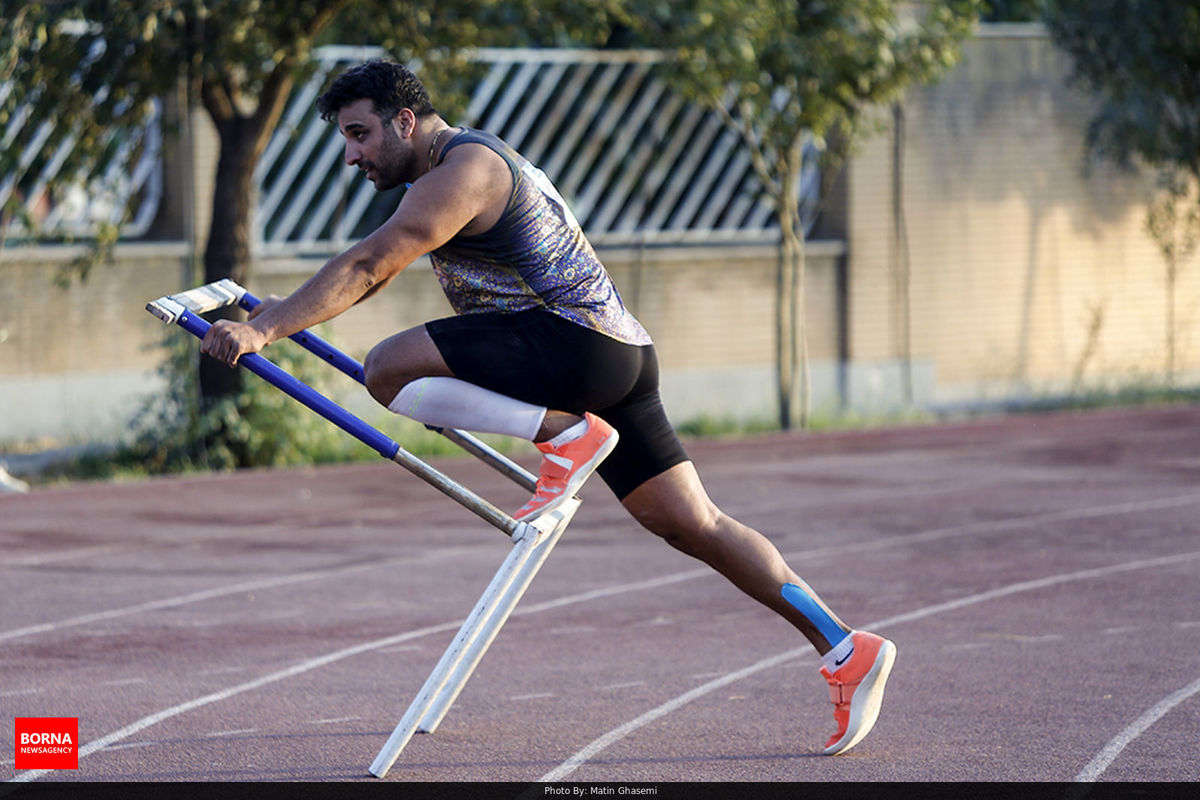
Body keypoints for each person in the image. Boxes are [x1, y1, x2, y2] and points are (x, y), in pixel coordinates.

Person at [200, 59, 895, 755]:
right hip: (617, 355)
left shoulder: (464, 170)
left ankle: (562, 435)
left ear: (404, 121)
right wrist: (285, 316)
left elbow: (371, 263)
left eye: (359, 134)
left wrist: (263, 329)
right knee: (690, 522)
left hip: (573, 346)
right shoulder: (453, 169)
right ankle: (842, 647)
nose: (351, 154)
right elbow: (377, 272)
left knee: (385, 370)